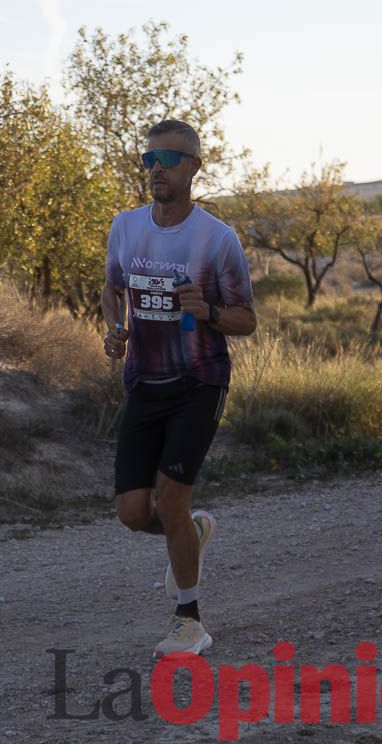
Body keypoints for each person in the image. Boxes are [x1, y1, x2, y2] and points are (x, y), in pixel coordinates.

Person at [101, 119, 256, 658]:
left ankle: (189, 620)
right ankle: (188, 532)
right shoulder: (125, 227)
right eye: (149, 160)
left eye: (167, 160)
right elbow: (112, 288)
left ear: (193, 166)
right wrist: (115, 327)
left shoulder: (217, 239)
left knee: (170, 497)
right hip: (144, 379)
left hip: (199, 382)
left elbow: (246, 319)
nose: (155, 170)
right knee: (132, 512)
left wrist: (209, 311)